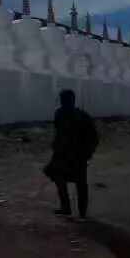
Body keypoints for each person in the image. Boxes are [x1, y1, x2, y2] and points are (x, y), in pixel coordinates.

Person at [44, 89, 99, 218]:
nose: (63, 102)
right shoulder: (62, 114)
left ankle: (80, 211)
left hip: (76, 155)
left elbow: (93, 138)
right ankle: (69, 208)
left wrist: (87, 153)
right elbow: (59, 132)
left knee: (79, 183)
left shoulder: (81, 116)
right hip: (64, 154)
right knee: (61, 179)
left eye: (64, 100)